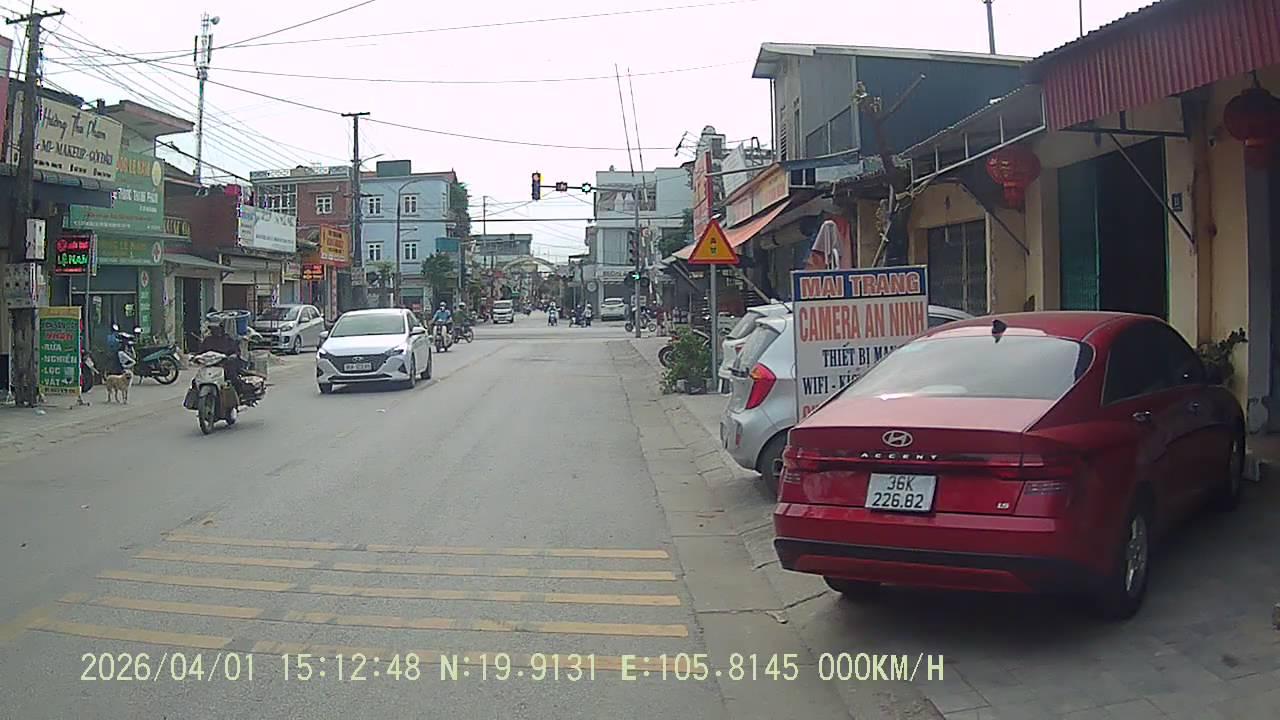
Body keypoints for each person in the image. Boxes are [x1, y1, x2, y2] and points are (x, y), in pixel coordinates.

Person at [197, 322, 247, 396]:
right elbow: (201, 352)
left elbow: (235, 351)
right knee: (196, 381)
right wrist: (196, 357)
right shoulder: (208, 340)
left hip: (225, 365)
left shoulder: (227, 339)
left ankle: (239, 394)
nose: (215, 330)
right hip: (210, 365)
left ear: (221, 329)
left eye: (216, 328)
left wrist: (233, 355)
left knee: (232, 377)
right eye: (213, 329)